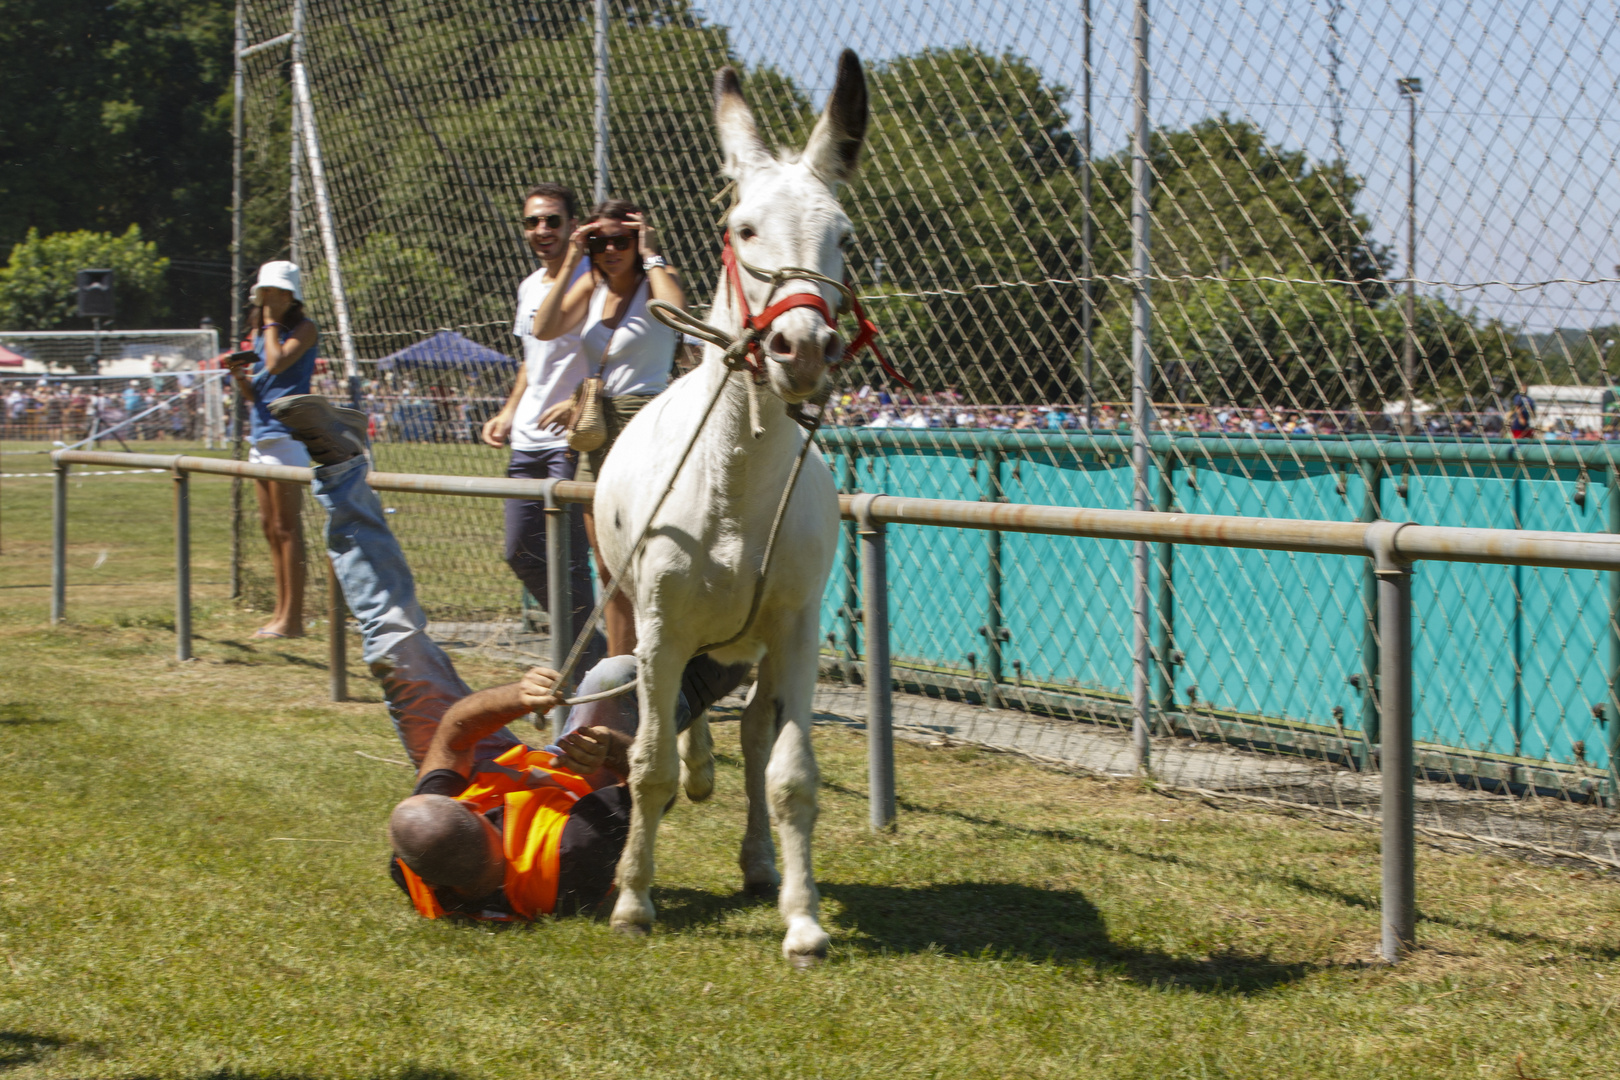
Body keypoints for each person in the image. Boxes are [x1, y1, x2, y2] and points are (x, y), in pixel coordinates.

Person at [264, 392, 745, 920]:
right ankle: (742, 641)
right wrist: (611, 748)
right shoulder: (572, 858)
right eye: (479, 813)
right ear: (490, 841)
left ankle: (340, 466)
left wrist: (516, 698)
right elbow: (659, 787)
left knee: (392, 647)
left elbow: (451, 734)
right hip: (584, 779)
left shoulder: (423, 858)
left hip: (503, 772)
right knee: (616, 672)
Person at [531, 199, 687, 657]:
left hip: (649, 419)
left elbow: (676, 314)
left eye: (623, 240)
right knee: (607, 563)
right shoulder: (590, 284)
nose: (611, 250)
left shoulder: (659, 280)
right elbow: (543, 328)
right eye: (601, 241)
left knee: (655, 559)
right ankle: (621, 674)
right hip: (599, 426)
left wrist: (651, 251)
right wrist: (574, 260)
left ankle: (667, 660)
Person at [478, 183, 598, 664]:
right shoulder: (530, 286)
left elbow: (605, 352)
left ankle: (581, 662)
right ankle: (588, 646)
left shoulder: (593, 279)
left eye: (552, 220)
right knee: (520, 552)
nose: (542, 230)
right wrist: (509, 410)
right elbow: (532, 358)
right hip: (527, 439)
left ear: (573, 226)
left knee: (569, 562)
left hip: (569, 440)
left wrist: (580, 400)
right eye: (532, 222)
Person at [226, 261, 319, 639]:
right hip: (262, 436)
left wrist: (268, 326)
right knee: (269, 527)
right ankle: (280, 613)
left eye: (276, 292)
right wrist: (240, 378)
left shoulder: (304, 329)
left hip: (289, 435)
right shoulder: (259, 332)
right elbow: (256, 392)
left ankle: (293, 618)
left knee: (287, 528)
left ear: (290, 296)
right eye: (265, 291)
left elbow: (279, 362)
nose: (268, 298)